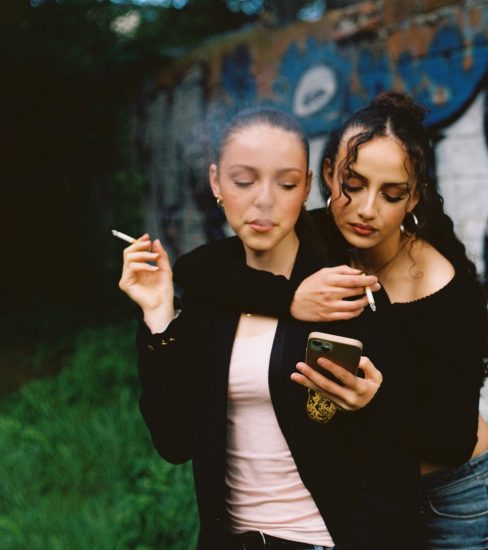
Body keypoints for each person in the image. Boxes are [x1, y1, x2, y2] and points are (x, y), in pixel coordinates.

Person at [182, 92, 488, 549]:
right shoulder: (319, 234)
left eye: (391, 194)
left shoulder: (441, 286)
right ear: (326, 175)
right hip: (367, 499)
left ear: (414, 196)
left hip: (451, 499)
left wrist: (373, 404)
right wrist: (291, 298)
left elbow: (452, 438)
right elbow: (197, 268)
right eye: (353, 184)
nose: (366, 209)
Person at [118, 107, 420, 550]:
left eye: (286, 183)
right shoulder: (209, 293)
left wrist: (372, 406)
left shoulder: (344, 291)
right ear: (217, 182)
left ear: (306, 189)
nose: (264, 201)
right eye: (244, 181)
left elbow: (394, 462)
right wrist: (160, 316)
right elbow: (175, 441)